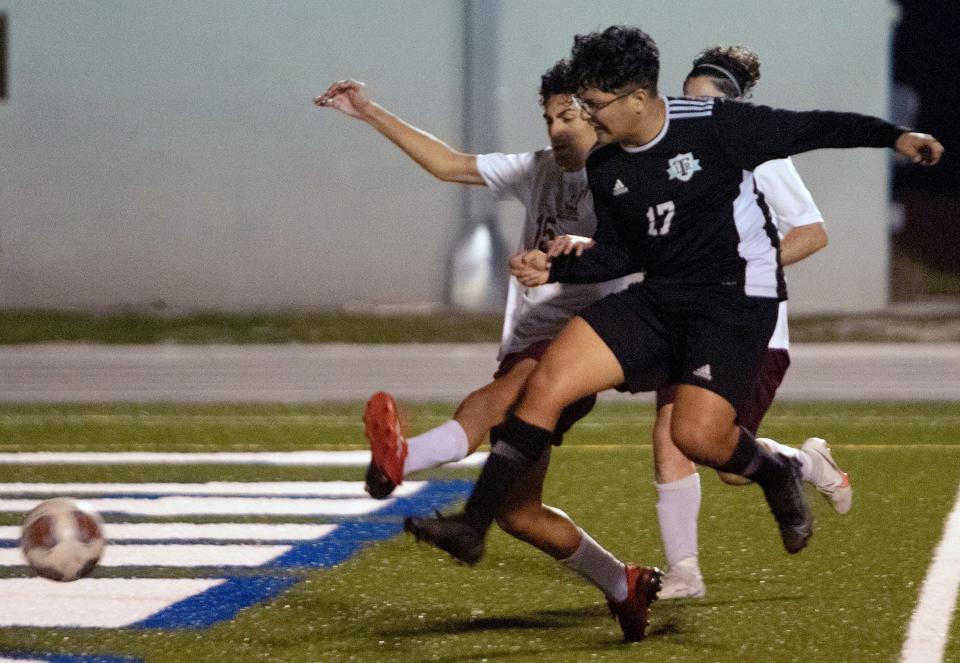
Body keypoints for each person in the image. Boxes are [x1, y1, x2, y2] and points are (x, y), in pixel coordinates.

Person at [405, 26, 942, 572]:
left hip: (733, 301)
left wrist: (896, 137)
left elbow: (814, 127)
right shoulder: (606, 163)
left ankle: (777, 471)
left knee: (695, 437)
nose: (588, 119)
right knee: (547, 381)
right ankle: (473, 526)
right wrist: (553, 264)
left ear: (638, 97)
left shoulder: (714, 125)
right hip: (660, 296)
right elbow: (619, 254)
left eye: (594, 106)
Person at [314, 61, 661, 642]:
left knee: (489, 402)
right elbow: (448, 164)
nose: (555, 127)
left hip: (581, 345)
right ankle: (624, 583)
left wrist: (574, 251)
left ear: (597, 117)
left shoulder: (624, 179)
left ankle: (405, 456)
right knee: (518, 512)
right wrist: (369, 112)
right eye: (548, 116)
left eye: (568, 115)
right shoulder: (537, 169)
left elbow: (640, 244)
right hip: (528, 342)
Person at [649, 44, 851, 600]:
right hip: (689, 318)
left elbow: (812, 232)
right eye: (685, 100)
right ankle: (684, 573)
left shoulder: (762, 154)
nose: (692, 112)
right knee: (669, 437)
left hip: (751, 328)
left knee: (731, 466)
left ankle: (804, 463)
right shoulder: (672, 157)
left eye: (705, 102)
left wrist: (739, 265)